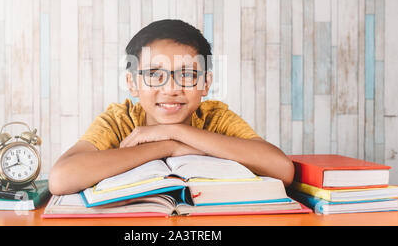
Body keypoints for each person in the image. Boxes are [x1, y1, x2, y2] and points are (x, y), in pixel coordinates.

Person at [49, 19, 294, 195]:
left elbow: (282, 169)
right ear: (132, 83)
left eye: (187, 75)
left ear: (205, 83)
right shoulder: (119, 119)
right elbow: (61, 179)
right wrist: (168, 147)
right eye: (155, 74)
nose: (170, 88)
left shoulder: (214, 117)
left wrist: (176, 132)